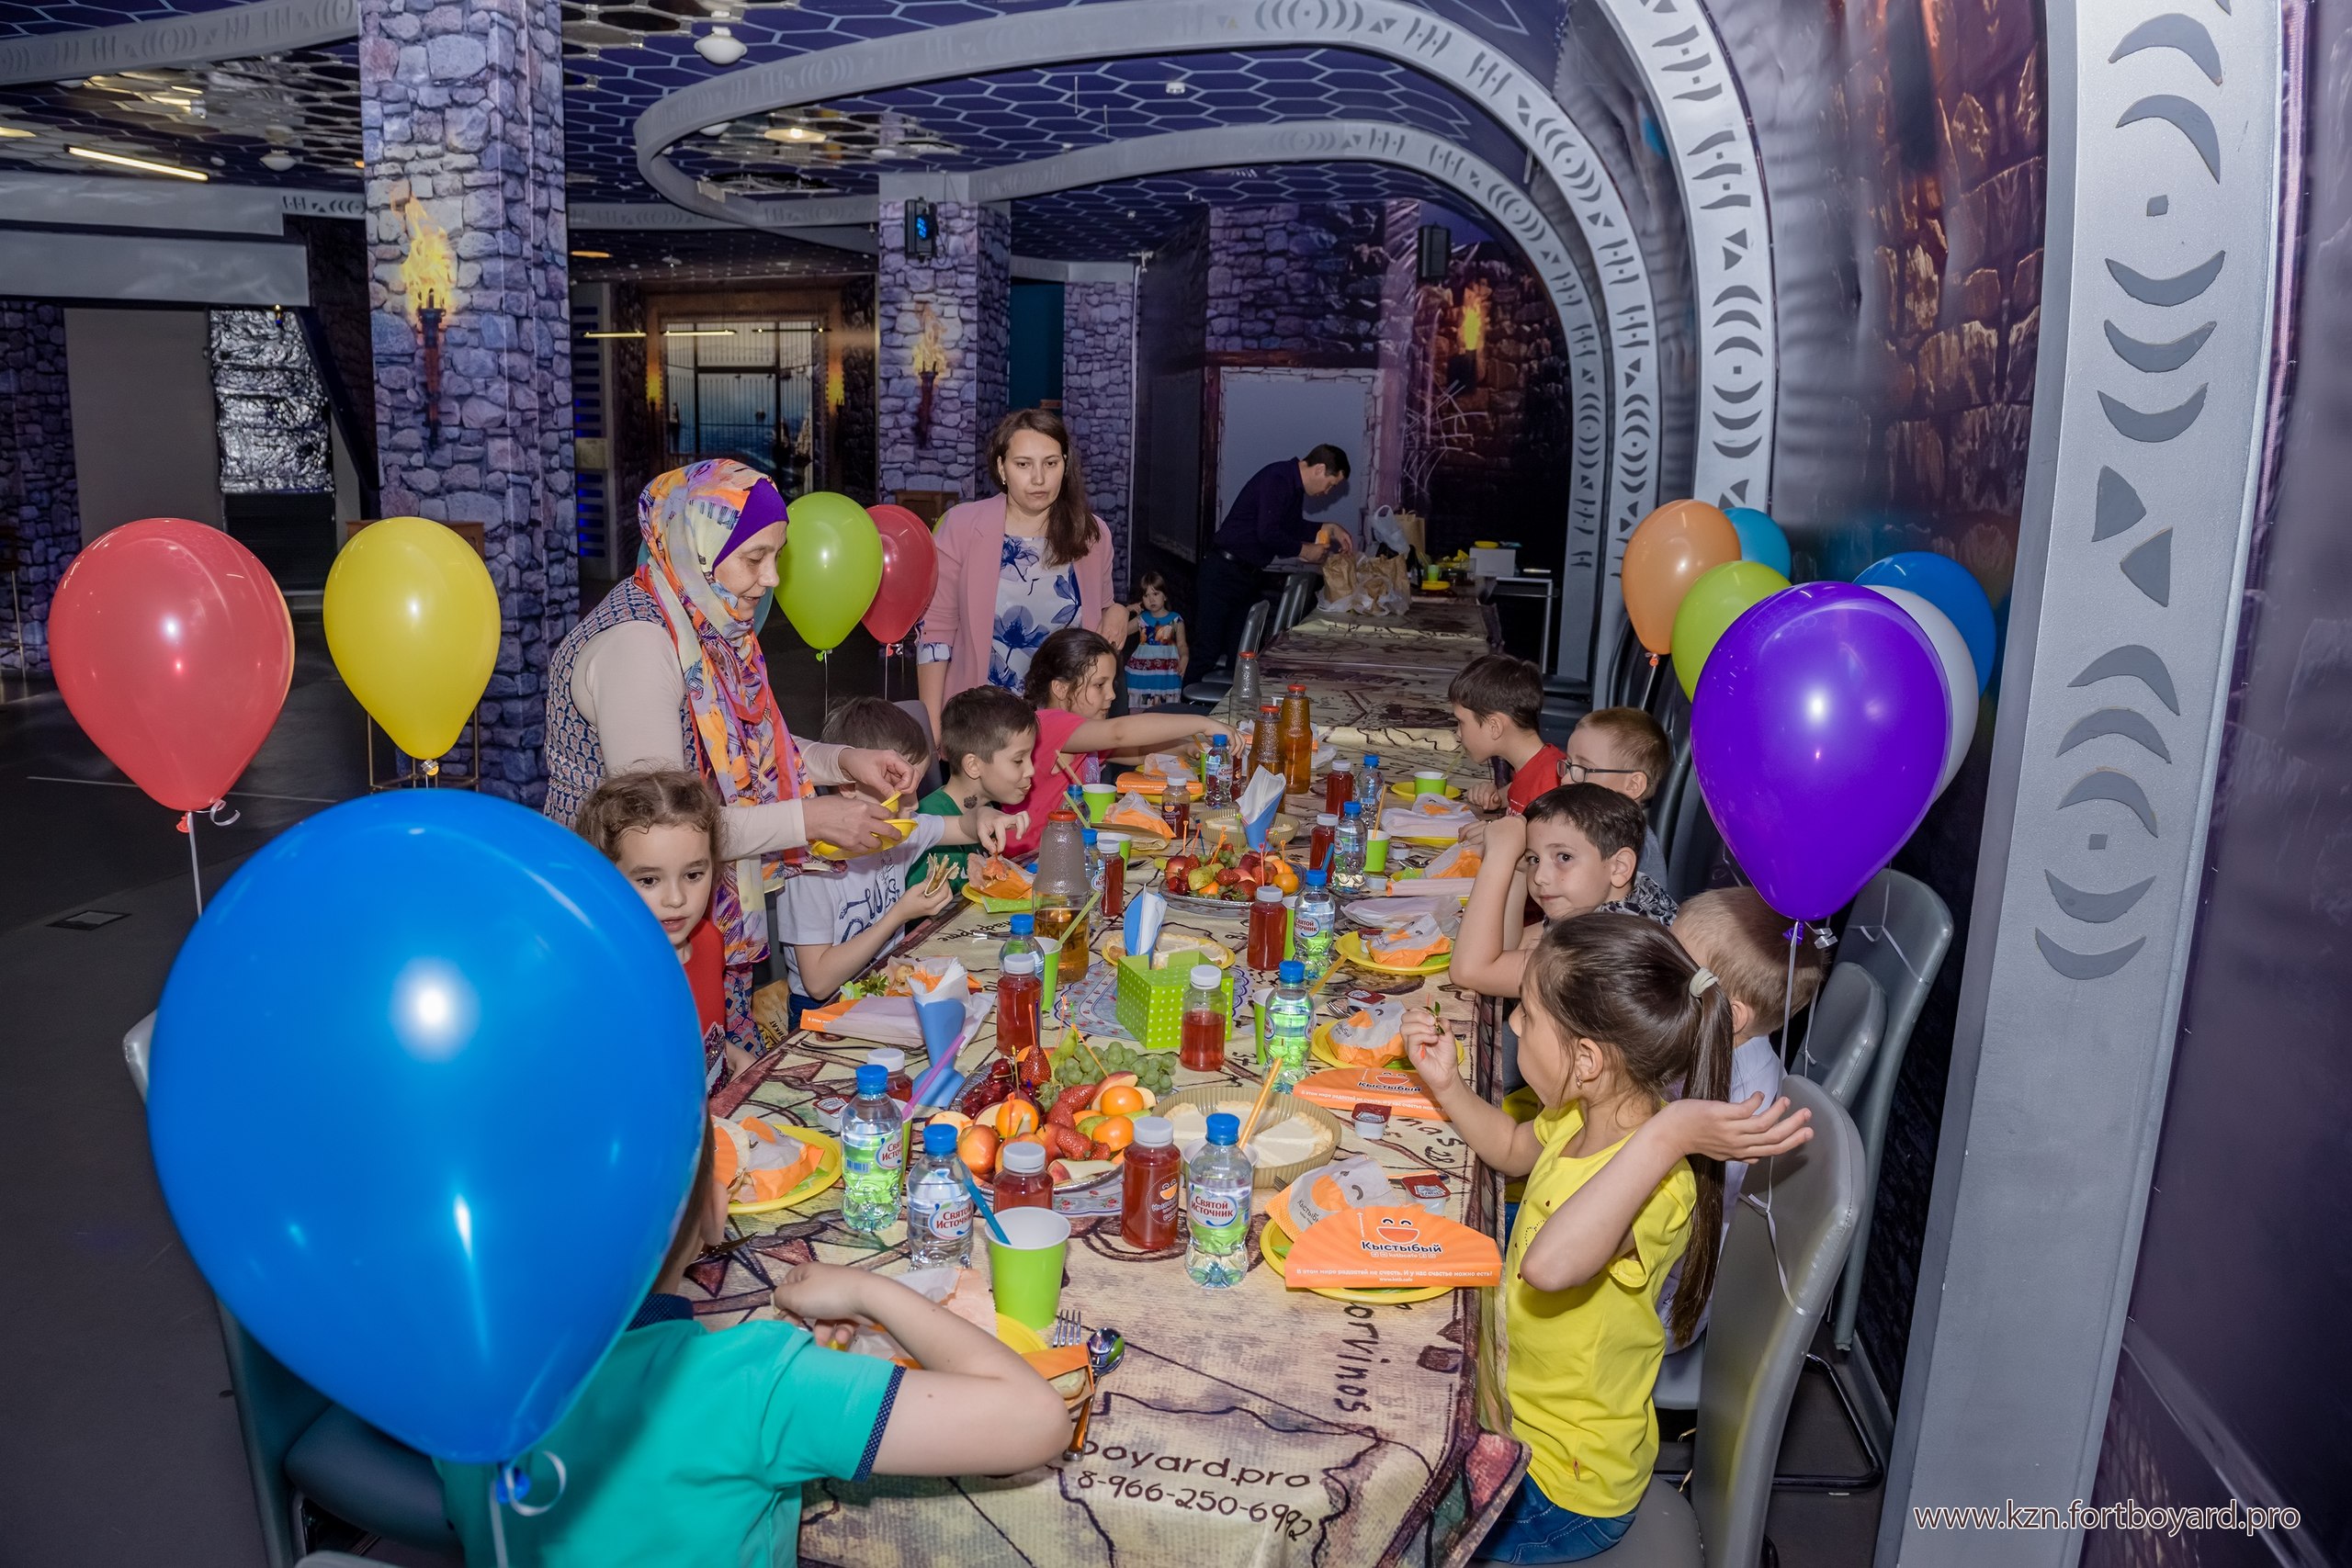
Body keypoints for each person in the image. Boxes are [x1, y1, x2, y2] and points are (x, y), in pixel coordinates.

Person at [437, 1126, 1072, 1567]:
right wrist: (871, 1291)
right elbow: (1036, 1420)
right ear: (715, 1210)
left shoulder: (452, 1380)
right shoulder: (754, 1381)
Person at [1397, 916, 1813, 1563]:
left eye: (1527, 1015)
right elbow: (1512, 1147)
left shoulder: (1654, 1185)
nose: (1513, 1027)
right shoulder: (1581, 1114)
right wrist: (1446, 1083)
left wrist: (1668, 1134)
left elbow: (1550, 1265)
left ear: (1587, 1060)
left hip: (1561, 1483)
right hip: (1512, 1419)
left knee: (1392, 1529)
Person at [545, 459, 922, 1055]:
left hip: (679, 901)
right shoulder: (641, 646)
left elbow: (743, 752)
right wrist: (810, 819)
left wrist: (844, 761)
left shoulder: (702, 624)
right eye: (754, 558)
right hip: (614, 912)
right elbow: (666, 826)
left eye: (777, 556)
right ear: (698, 546)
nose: (771, 578)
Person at [1657, 887, 1831, 1347]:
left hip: (1673, 1291)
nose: (1653, 975)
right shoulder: (1710, 1044)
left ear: (1730, 1015)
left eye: (1671, 972)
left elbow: (1683, 1214)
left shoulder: (1743, 1104)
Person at [776, 699, 1022, 1010]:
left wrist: (983, 816)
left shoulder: (898, 830)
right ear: (848, 785)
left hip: (882, 990)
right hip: (824, 1009)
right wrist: (898, 915)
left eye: (917, 786)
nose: (915, 804)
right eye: (900, 789)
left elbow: (961, 826)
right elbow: (818, 982)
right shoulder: (811, 866)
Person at [916, 409, 1128, 742]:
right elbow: (936, 634)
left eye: (1050, 463)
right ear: (1002, 468)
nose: (1039, 478)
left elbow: (1099, 616)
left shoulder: (1091, 534)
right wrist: (931, 729)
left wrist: (1116, 610)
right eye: (1023, 464)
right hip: (985, 730)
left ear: (1065, 464)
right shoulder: (962, 527)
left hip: (1069, 729)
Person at [572, 767, 747, 1086]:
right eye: (649, 880)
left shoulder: (709, 940)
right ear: (604, 879)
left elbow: (700, 1036)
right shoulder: (604, 978)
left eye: (693, 875)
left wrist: (732, 1056)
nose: (676, 899)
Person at [1006, 626, 1231, 858]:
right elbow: (1119, 732)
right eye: (1099, 685)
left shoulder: (1084, 737)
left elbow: (1138, 751)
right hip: (1031, 858)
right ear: (1061, 689)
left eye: (1112, 685)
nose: (1112, 695)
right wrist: (1201, 723)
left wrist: (1186, 747)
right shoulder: (1047, 723)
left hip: (1066, 852)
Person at [1454, 784, 1672, 999]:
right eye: (1534, 859)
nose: (1540, 877)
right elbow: (1509, 947)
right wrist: (1519, 869)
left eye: (1564, 857)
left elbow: (1470, 971)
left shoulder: (1609, 948)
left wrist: (1499, 855)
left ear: (1620, 867)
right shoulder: (1624, 901)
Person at [1183, 445, 1356, 687]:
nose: (1327, 492)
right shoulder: (1278, 478)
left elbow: (1290, 527)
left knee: (1240, 654)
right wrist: (1304, 550)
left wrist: (1330, 528)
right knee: (1206, 651)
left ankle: (1227, 707)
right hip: (1223, 572)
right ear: (1319, 469)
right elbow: (1268, 533)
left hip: (1245, 575)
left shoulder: (1292, 487)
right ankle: (1183, 705)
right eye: (1330, 484)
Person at [910, 685, 1038, 887]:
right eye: (1018, 760)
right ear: (973, 765)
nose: (1031, 770)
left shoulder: (989, 810)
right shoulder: (926, 822)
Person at [1562, 708, 1672, 885]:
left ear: (1633, 785)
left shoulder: (1633, 846)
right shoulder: (1590, 824)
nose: (1566, 779)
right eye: (1568, 764)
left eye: (1584, 769)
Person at [1449, 653, 1564, 816]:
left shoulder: (1552, 782)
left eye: (1461, 722)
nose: (1458, 733)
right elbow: (1522, 787)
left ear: (1494, 727)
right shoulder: (1530, 766)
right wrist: (1497, 797)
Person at [1123, 571, 1188, 709]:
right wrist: (1126, 610)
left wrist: (1185, 658)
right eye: (1146, 595)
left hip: (1166, 677)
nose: (1151, 599)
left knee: (1166, 713)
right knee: (1137, 714)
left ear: (1165, 596)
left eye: (1156, 594)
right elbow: (1120, 631)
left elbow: (1182, 645)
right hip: (1140, 677)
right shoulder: (1141, 619)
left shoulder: (1176, 619)